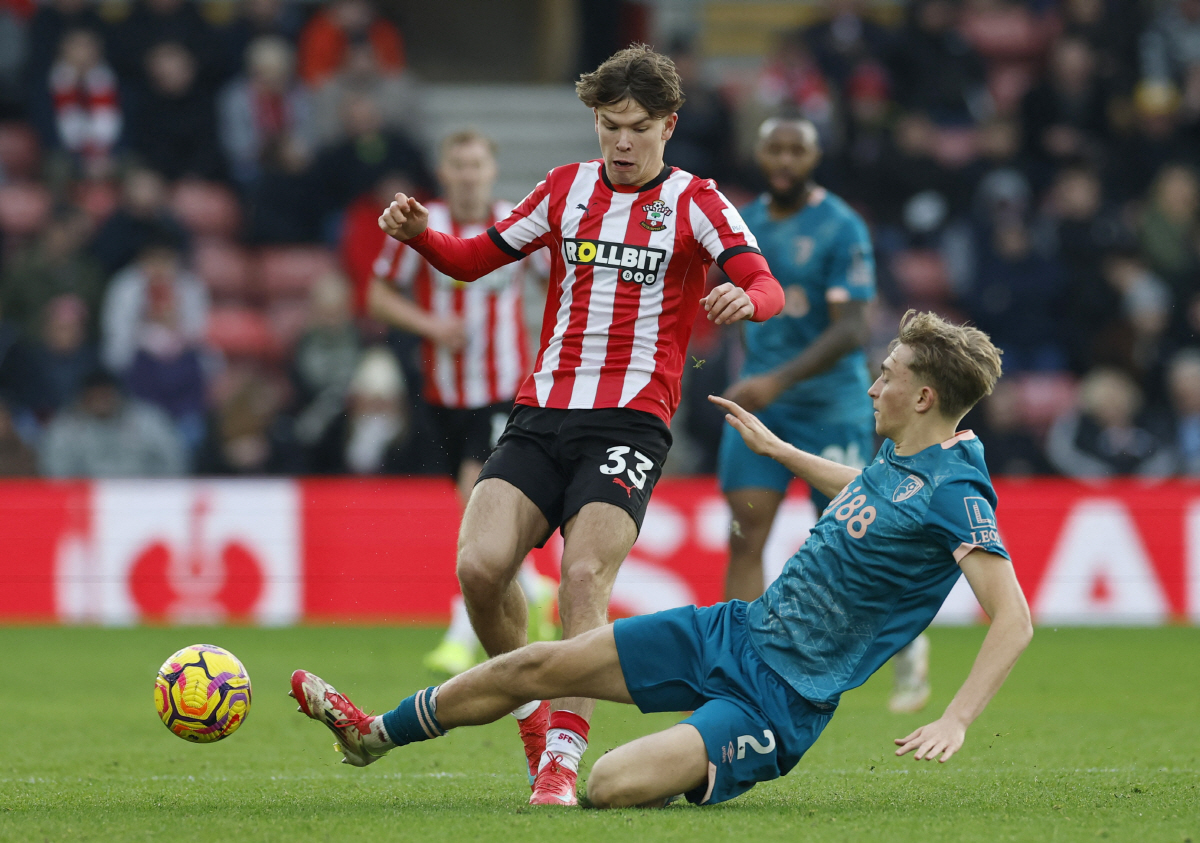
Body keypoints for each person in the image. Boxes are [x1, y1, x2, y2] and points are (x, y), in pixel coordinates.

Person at [290, 310, 1032, 811]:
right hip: (734, 631)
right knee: (541, 662)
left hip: (778, 702)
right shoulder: (907, 460)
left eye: (889, 374)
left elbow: (1014, 618)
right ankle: (372, 733)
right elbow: (872, 490)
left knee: (610, 785)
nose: (874, 384)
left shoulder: (958, 491)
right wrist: (782, 452)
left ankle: (706, 753)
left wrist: (957, 718)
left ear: (923, 396)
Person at [373, 44, 785, 805]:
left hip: (629, 423)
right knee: (479, 568)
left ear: (668, 125)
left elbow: (765, 283)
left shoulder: (697, 201)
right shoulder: (564, 188)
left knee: (584, 576)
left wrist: (746, 300)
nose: (622, 143)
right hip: (540, 414)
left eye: (637, 128)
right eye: (608, 126)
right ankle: (533, 718)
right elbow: (472, 259)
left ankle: (564, 756)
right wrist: (422, 235)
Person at [717, 117, 928, 714]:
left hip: (830, 409)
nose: (785, 160)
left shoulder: (840, 226)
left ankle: (906, 641)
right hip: (762, 410)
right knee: (745, 538)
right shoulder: (742, 225)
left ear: (814, 158)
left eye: (797, 150)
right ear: (759, 155)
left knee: (853, 544)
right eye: (775, 149)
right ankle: (738, 674)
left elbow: (852, 330)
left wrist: (775, 379)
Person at [368, 129, 556, 679]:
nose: (469, 175)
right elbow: (377, 295)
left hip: (502, 391)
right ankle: (535, 587)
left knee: (476, 496)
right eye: (459, 165)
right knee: (470, 506)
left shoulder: (515, 224)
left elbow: (559, 282)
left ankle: (460, 631)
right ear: (445, 173)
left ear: (491, 171)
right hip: (443, 395)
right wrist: (431, 326)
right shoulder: (421, 224)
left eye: (478, 165)